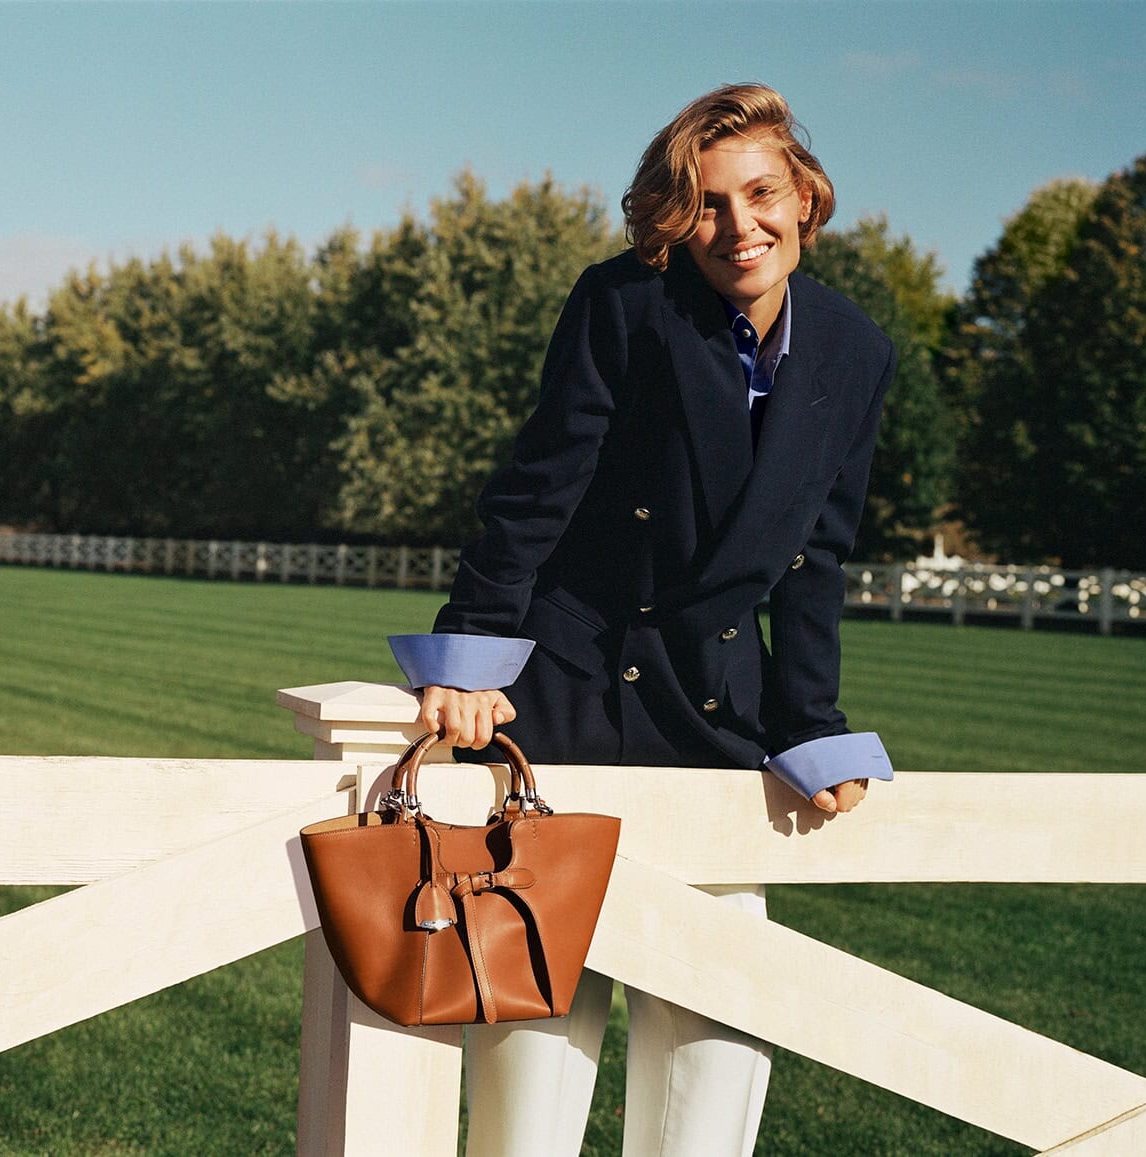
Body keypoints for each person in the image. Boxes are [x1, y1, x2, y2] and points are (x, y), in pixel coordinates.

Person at [397, 83, 898, 1155]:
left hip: (719, 725)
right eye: (707, 203)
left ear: (804, 198)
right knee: (531, 1081)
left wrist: (809, 721)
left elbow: (816, 555)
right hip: (571, 705)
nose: (738, 225)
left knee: (717, 1066)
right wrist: (472, 653)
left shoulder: (856, 350)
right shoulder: (623, 303)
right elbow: (540, 486)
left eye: (761, 194)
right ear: (675, 218)